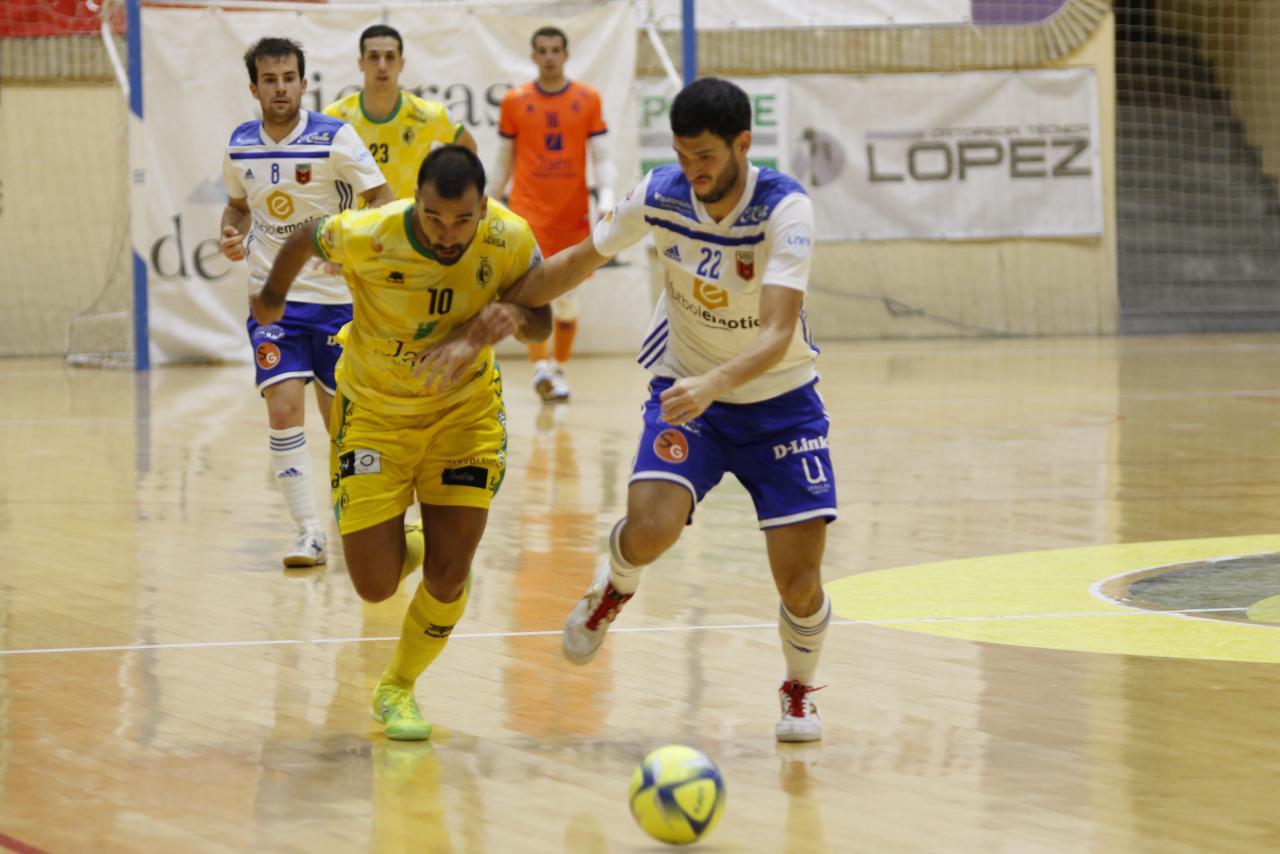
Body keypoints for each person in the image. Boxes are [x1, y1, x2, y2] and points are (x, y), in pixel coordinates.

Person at [438, 77, 835, 742]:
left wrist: (713, 386)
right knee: (649, 531)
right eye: (682, 155)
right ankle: (614, 588)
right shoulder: (662, 193)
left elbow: (775, 334)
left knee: (799, 583)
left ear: (743, 144)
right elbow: (579, 260)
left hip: (780, 404)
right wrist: (500, 308)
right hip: (686, 388)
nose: (692, 170)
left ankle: (798, 691)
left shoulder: (784, 209)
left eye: (705, 156)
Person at [253, 145, 551, 740]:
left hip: (464, 418)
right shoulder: (372, 231)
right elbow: (305, 236)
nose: (449, 235)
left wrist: (516, 319)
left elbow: (544, 318)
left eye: (463, 220)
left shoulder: (509, 238)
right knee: (374, 585)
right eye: (436, 219)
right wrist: (272, 298)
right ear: (417, 202)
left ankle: (398, 687)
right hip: (373, 416)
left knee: (449, 573)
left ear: (483, 206)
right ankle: (410, 540)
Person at [220, 37, 392, 568]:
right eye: (269, 79)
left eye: (288, 77)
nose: (280, 88)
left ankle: (364, 518)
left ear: (303, 82)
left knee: (344, 423)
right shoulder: (239, 145)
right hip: (274, 304)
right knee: (282, 408)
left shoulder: (335, 137)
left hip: (339, 305)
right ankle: (308, 532)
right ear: (254, 87)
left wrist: (356, 250)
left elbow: (382, 201)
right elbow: (237, 209)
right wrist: (229, 234)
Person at [487, 24, 614, 403]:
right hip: (528, 215)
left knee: (568, 301)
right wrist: (489, 202)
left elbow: (603, 155)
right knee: (533, 297)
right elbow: (502, 160)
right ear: (533, 56)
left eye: (555, 50)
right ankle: (541, 368)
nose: (548, 57)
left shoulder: (588, 99)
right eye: (541, 50)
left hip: (571, 215)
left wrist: (606, 199)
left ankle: (558, 368)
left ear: (566, 54)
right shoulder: (515, 101)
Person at [324, 24, 477, 201]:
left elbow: (467, 146)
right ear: (361, 63)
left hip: (407, 223)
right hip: (355, 225)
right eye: (374, 57)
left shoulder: (428, 114)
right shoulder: (335, 116)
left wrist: (450, 192)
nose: (382, 66)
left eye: (390, 57)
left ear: (401, 63)